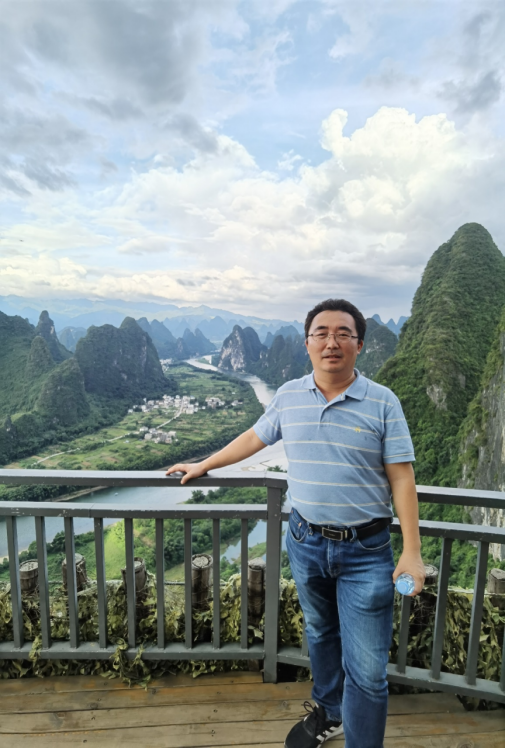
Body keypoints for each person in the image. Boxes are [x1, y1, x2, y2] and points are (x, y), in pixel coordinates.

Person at [166, 298, 425, 748]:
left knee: (367, 672)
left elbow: (402, 478)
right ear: (307, 343)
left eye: (343, 333)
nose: (331, 342)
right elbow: (254, 436)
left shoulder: (383, 402)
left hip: (366, 550)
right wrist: (205, 464)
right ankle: (328, 711)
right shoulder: (288, 395)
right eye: (321, 333)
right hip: (306, 541)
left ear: (360, 344)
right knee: (320, 632)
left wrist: (411, 551)